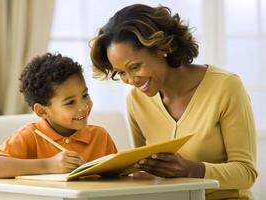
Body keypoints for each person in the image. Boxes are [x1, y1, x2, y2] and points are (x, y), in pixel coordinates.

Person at [90, 4, 257, 200]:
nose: (131, 80)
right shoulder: (136, 100)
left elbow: (246, 173)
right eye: (121, 73)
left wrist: (191, 169)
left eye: (135, 66)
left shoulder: (226, 87)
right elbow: (146, 172)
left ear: (162, 48)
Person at [0, 53, 117, 178]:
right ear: (42, 111)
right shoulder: (30, 136)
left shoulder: (100, 136)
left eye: (85, 95)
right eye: (70, 102)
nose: (83, 106)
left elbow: (116, 176)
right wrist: (49, 165)